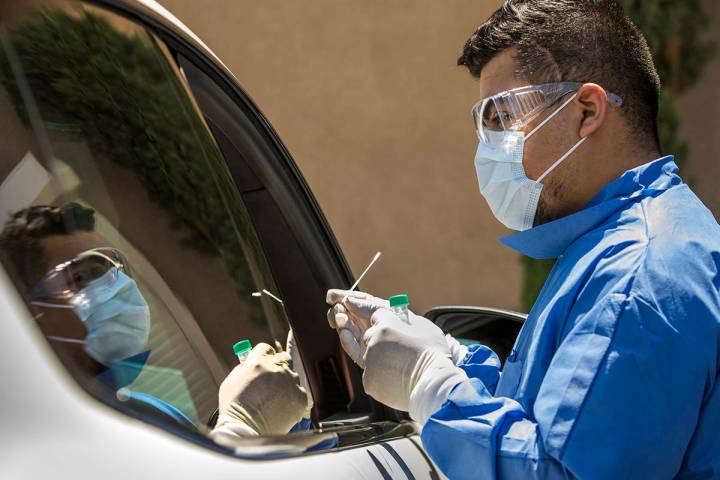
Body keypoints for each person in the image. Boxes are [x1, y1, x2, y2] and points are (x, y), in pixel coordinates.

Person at [327, 1, 720, 478]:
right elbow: (549, 416)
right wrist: (447, 356)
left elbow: (560, 471)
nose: (487, 144)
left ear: (588, 110)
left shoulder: (637, 272)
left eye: (502, 113)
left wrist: (430, 383)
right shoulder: (622, 239)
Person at [0, 203, 307, 438]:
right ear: (32, 316)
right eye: (81, 276)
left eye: (112, 268)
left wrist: (299, 402)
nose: (116, 285)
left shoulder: (138, 407)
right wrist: (242, 423)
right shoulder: (43, 432)